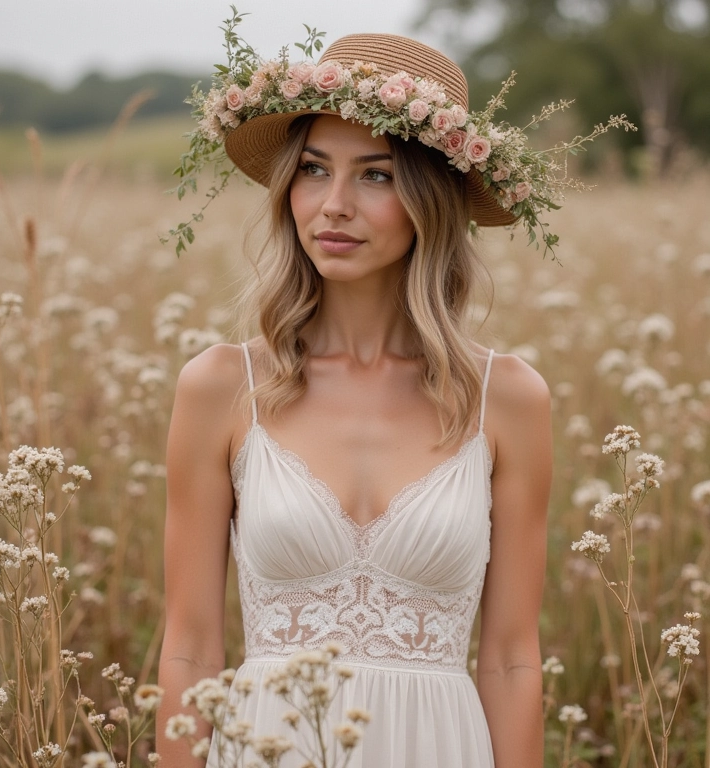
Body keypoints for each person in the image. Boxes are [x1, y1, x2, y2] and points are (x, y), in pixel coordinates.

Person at [157, 30, 552, 768]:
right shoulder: (220, 387)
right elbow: (189, 647)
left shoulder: (509, 399)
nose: (333, 205)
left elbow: (508, 658)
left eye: (375, 176)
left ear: (432, 199)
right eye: (313, 169)